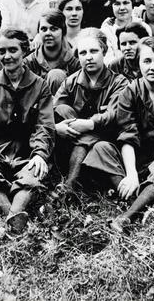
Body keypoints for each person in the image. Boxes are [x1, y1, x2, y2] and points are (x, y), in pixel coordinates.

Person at [82, 37, 154, 233]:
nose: (152, 67)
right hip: (136, 156)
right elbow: (127, 135)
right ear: (138, 63)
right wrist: (132, 173)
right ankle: (141, 200)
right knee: (101, 149)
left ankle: (128, 216)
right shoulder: (130, 91)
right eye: (146, 61)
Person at [0, 28, 55, 233]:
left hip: (27, 154)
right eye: (2, 51)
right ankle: (12, 217)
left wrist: (40, 154)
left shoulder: (40, 86)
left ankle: (14, 216)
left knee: (35, 174)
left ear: (24, 51)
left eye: (13, 50)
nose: (7, 56)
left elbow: (44, 125)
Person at [53, 28, 128, 192]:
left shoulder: (119, 82)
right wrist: (57, 127)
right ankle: (72, 184)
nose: (88, 57)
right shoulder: (71, 82)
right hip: (71, 143)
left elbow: (115, 114)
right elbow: (51, 110)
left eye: (94, 51)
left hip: (106, 142)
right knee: (63, 109)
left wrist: (88, 124)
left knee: (93, 138)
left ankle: (69, 186)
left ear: (104, 51)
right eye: (83, 53)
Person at [24, 10, 80, 95]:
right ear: (38, 33)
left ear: (63, 31)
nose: (48, 33)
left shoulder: (75, 62)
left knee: (56, 75)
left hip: (66, 106)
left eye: (53, 29)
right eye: (44, 29)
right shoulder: (29, 63)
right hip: (37, 106)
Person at [101, 0, 151, 64]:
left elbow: (148, 55)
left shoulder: (143, 27)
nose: (122, 8)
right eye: (117, 4)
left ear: (132, 4)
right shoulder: (106, 30)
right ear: (111, 6)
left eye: (125, 3)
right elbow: (108, 61)